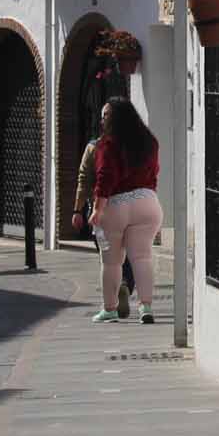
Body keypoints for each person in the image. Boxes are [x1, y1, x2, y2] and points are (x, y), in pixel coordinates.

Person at [87, 98, 161, 325]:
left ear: (117, 117)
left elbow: (105, 177)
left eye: (106, 115)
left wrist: (98, 209)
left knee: (111, 262)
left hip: (116, 204)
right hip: (147, 201)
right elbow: (155, 171)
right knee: (142, 257)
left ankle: (109, 309)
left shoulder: (107, 144)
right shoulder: (149, 141)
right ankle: (146, 307)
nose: (102, 120)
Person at [70, 103, 137, 319]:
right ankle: (125, 284)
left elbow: (83, 179)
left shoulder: (93, 148)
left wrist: (77, 210)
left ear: (102, 122)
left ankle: (112, 301)